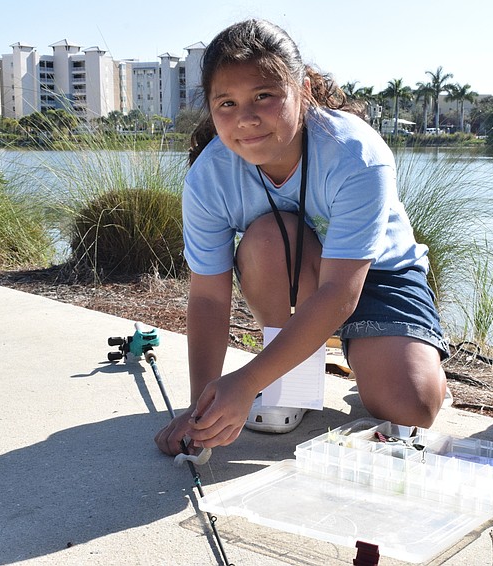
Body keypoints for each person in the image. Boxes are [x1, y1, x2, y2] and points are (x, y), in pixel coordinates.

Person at [154, 19, 449, 457]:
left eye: (264, 96)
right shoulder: (208, 177)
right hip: (295, 268)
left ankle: (382, 355)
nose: (246, 119)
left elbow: (338, 293)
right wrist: (204, 411)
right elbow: (209, 299)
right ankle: (291, 383)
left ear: (303, 89)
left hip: (380, 273)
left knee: (411, 407)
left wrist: (247, 380)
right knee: (270, 237)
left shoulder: (355, 154)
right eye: (227, 103)